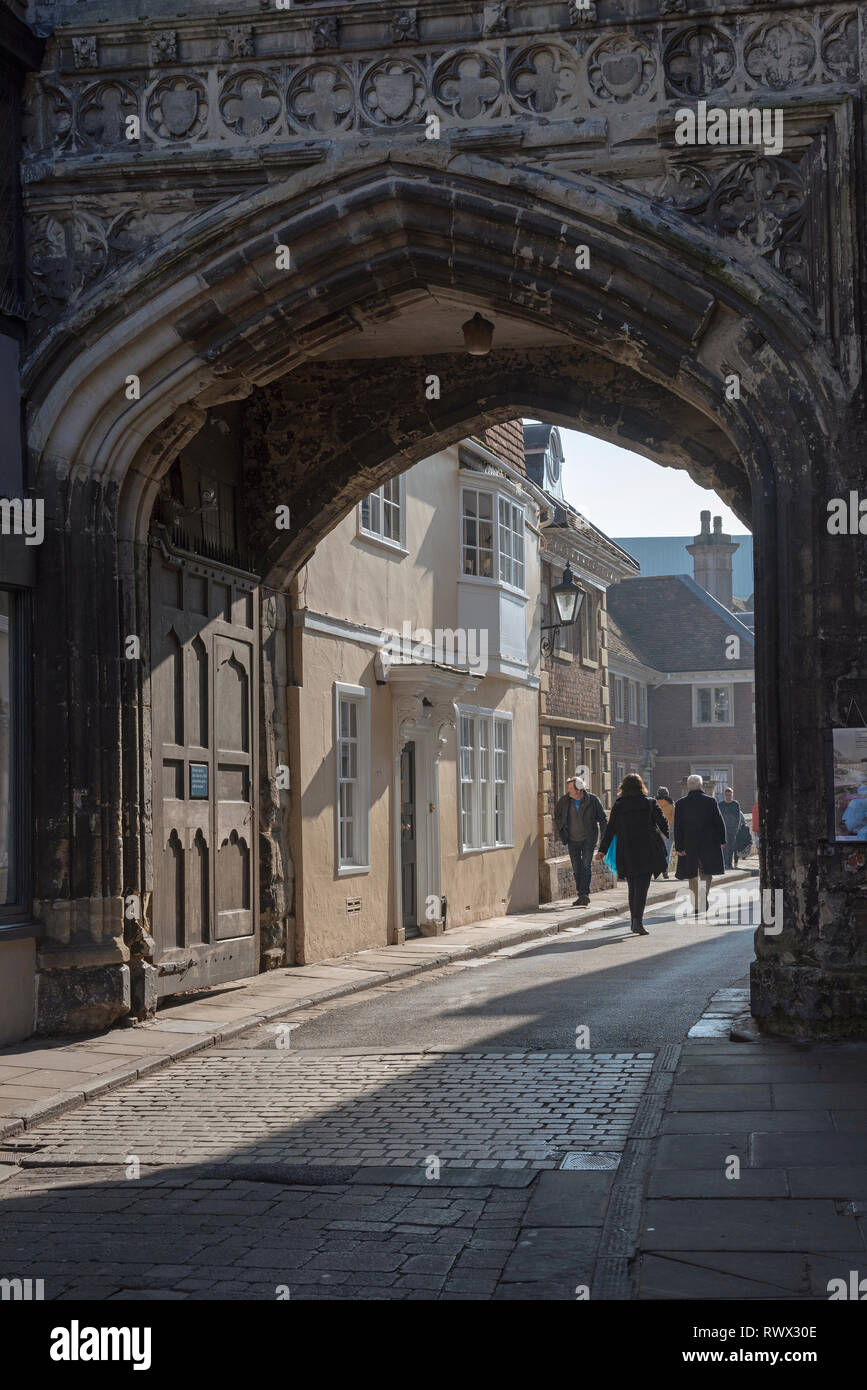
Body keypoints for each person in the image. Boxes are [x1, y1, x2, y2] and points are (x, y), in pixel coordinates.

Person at [596, 774, 669, 935]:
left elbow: (610, 829)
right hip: (646, 850)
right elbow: (663, 822)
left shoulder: (619, 805)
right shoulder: (650, 803)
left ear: (623, 787)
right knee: (642, 887)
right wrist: (665, 833)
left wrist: (602, 850)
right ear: (641, 786)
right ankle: (638, 922)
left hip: (626, 850)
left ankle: (634, 920)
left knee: (632, 887)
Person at [675, 774, 727, 916]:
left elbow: (677, 827)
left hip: (689, 843)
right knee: (706, 873)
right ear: (701, 786)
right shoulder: (710, 801)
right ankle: (703, 899)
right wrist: (722, 840)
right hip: (708, 843)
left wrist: (679, 847)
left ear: (687, 787)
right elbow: (718, 821)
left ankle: (697, 904)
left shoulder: (680, 804)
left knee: (692, 875)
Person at [554, 775, 608, 907]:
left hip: (588, 839)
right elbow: (558, 815)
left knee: (586, 865)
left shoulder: (593, 800)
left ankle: (584, 894)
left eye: (571, 788)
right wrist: (562, 831)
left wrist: (603, 840)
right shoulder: (565, 801)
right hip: (572, 839)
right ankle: (581, 894)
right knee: (577, 868)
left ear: (579, 790)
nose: (569, 791)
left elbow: (603, 819)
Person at [718, 786, 742, 869]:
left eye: (730, 795)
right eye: (727, 795)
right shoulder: (721, 805)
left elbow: (738, 817)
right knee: (725, 847)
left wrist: (736, 829)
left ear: (732, 795)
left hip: (733, 829)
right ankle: (725, 864)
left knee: (731, 847)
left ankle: (729, 863)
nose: (728, 797)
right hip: (723, 829)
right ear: (725, 795)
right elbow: (718, 818)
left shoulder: (735, 804)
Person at [655, 786, 675, 878]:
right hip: (668, 831)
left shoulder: (654, 803)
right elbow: (674, 819)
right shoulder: (671, 805)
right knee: (667, 852)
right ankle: (665, 871)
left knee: (656, 851)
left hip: (656, 831)